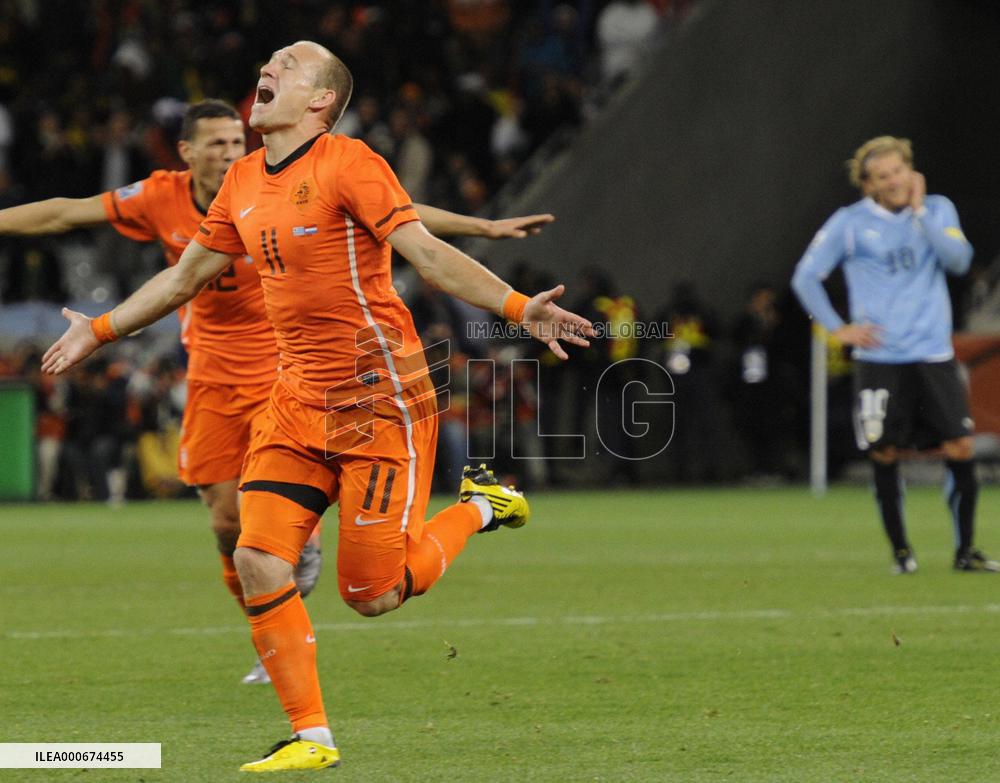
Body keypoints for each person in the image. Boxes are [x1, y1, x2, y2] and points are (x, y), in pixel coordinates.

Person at [41, 41, 593, 772]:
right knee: (256, 557)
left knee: (373, 593)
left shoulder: (350, 163)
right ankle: (312, 735)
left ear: (320, 100)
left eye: (291, 61)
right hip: (295, 398)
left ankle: (482, 505)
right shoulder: (241, 178)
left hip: (379, 400)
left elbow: (425, 255)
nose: (270, 65)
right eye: (271, 57)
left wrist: (522, 307)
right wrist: (99, 329)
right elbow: (183, 279)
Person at [792, 135, 998, 575]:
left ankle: (966, 552)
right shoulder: (849, 224)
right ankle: (902, 554)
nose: (894, 180)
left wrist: (922, 214)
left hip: (933, 353)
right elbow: (806, 277)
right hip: (881, 357)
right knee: (885, 453)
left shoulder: (937, 210)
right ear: (869, 185)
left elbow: (958, 260)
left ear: (911, 170)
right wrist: (838, 328)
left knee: (959, 446)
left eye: (898, 170)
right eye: (883, 176)